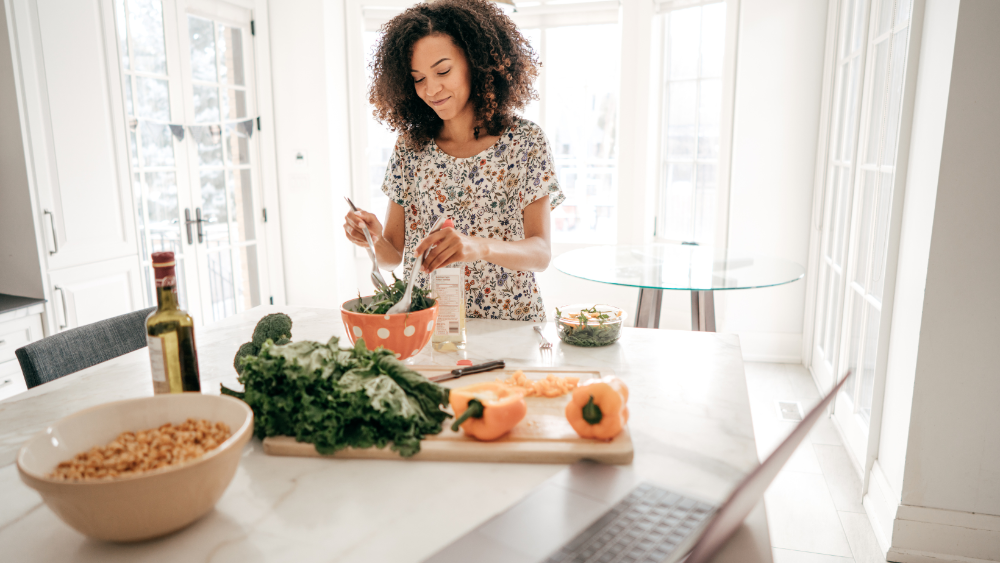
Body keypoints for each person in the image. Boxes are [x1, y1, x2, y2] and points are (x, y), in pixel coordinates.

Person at [343, 0, 564, 322]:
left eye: (443, 71)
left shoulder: (524, 142)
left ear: (477, 64)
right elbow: (393, 257)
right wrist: (373, 237)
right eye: (418, 78)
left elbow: (541, 254)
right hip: (428, 325)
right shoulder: (410, 148)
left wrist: (479, 246)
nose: (431, 89)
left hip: (509, 325)